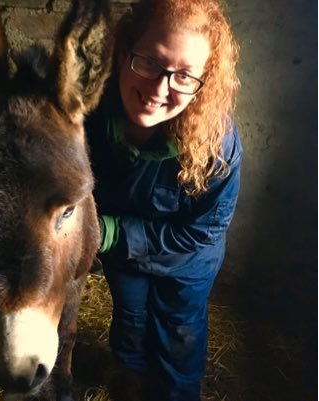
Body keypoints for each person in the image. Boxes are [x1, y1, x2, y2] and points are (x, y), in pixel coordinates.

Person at [85, 0, 242, 400]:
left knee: (178, 332)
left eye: (185, 75)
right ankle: (128, 384)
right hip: (120, 253)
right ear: (123, 52)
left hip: (187, 260)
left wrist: (110, 232)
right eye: (149, 62)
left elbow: (202, 233)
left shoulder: (217, 145)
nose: (159, 89)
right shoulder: (91, 117)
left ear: (203, 80)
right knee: (131, 318)